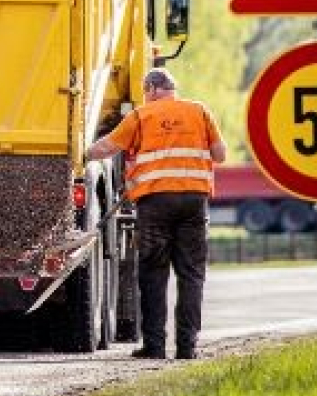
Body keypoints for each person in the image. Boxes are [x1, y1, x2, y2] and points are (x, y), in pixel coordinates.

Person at [84, 67, 227, 360]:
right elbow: (220, 154)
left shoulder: (141, 115)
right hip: (193, 202)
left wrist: (80, 152)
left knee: (153, 273)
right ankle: (187, 347)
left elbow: (107, 147)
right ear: (172, 89)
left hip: (155, 203)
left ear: (150, 89)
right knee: (191, 275)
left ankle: (155, 346)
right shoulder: (199, 111)